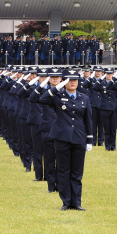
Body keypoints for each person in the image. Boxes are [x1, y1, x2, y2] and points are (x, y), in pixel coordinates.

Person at [38, 68, 93, 211]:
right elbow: (41, 99)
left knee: (77, 172)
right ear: (65, 82)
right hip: (62, 138)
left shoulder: (84, 98)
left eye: (75, 80)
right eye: (69, 80)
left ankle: (77, 202)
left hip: (79, 138)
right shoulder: (58, 96)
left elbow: (88, 120)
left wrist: (89, 140)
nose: (73, 82)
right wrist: (57, 88)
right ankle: (66, 202)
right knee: (63, 171)